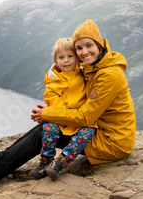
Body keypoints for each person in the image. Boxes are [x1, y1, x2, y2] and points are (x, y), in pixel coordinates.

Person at [0, 19, 136, 183]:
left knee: (44, 130)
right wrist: (52, 110)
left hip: (110, 141)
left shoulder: (108, 74)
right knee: (47, 125)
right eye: (79, 48)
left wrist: (47, 113)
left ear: (99, 44)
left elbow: (85, 118)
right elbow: (78, 95)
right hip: (101, 130)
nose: (84, 52)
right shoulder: (95, 66)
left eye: (89, 45)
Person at [29, 38, 96, 180]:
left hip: (79, 120)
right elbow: (53, 102)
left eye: (70, 56)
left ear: (77, 58)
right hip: (63, 119)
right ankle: (45, 161)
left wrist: (118, 90)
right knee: (48, 128)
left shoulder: (85, 74)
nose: (66, 60)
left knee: (88, 131)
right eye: (61, 57)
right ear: (56, 61)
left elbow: (99, 87)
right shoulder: (53, 80)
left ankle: (61, 162)